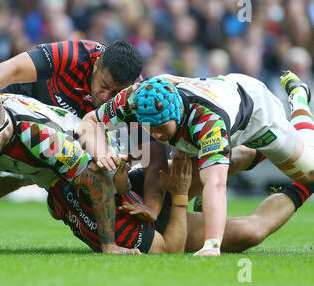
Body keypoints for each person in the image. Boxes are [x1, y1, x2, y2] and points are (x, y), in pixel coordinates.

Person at [79, 70, 314, 256]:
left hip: (257, 116)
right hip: (216, 100)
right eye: (150, 128)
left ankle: (299, 98)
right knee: (248, 232)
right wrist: (102, 153)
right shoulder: (136, 99)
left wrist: (212, 245)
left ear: (176, 115)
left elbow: (216, 185)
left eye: (161, 128)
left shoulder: (207, 122)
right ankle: (235, 163)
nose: (157, 136)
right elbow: (91, 121)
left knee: (309, 171)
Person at [0, 90, 139, 254]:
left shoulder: (41, 139)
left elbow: (97, 181)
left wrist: (110, 246)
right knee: (1, 168)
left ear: (5, 128)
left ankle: (55, 199)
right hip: (24, 156)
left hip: (69, 152)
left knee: (115, 194)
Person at [48, 150, 314, 254]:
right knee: (250, 233)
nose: (123, 165)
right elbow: (170, 248)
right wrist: (180, 196)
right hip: (164, 227)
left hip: (145, 195)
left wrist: (128, 187)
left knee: (235, 157)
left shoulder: (63, 190)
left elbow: (53, 203)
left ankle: (295, 147)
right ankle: (309, 180)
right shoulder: (121, 234)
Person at [0, 40, 143, 118]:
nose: (106, 97)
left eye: (116, 92)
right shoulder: (75, 55)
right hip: (31, 97)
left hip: (71, 133)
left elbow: (151, 151)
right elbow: (14, 68)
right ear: (96, 66)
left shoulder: (139, 93)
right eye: (104, 86)